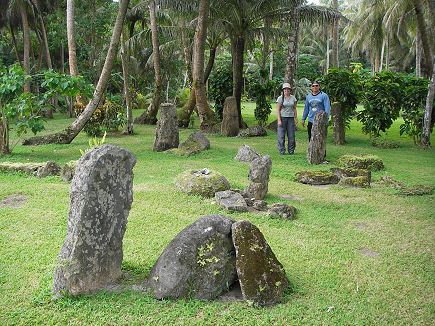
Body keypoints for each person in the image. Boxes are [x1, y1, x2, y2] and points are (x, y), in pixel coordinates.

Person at [276, 82, 298, 155]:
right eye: (285, 90)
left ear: (290, 90)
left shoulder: (293, 98)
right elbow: (278, 110)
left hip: (290, 118)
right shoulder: (280, 98)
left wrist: (296, 118)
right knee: (281, 136)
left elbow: (294, 108)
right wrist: (279, 120)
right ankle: (281, 151)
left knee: (291, 136)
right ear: (283, 90)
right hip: (282, 118)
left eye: (288, 89)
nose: (286, 91)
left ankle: (291, 151)